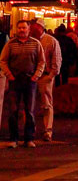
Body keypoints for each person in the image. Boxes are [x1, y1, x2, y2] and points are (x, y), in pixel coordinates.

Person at [0, 20, 45, 148]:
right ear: (16, 29)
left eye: (24, 28)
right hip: (15, 80)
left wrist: (36, 75)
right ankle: (13, 139)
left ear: (28, 29)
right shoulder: (10, 44)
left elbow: (42, 61)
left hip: (30, 81)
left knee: (29, 111)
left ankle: (29, 138)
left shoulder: (36, 44)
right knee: (13, 110)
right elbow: (2, 61)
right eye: (19, 28)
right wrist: (9, 75)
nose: (22, 30)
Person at [29, 22, 61, 142]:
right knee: (30, 104)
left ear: (41, 27)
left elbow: (57, 59)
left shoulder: (51, 41)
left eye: (34, 26)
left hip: (44, 76)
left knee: (46, 104)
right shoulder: (30, 40)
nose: (32, 29)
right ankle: (32, 130)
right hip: (31, 76)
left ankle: (47, 130)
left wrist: (52, 75)